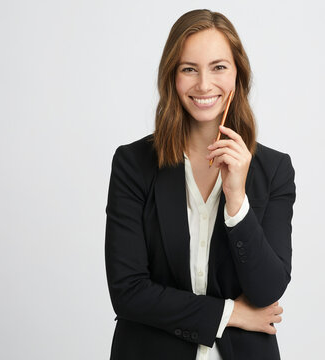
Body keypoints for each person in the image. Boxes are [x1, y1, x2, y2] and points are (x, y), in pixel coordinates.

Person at [105, 9, 296, 360]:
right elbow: (128, 292)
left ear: (238, 75)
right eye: (189, 69)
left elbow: (267, 289)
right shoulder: (133, 165)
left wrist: (236, 198)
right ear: (172, 77)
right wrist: (232, 314)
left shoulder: (274, 170)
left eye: (219, 67)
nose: (204, 85)